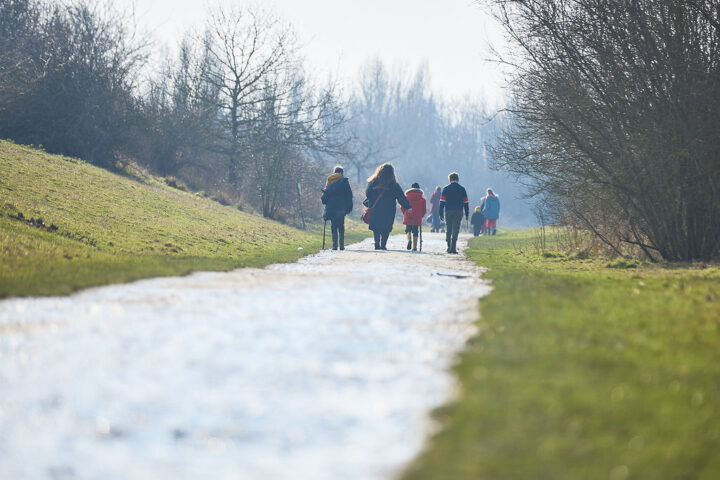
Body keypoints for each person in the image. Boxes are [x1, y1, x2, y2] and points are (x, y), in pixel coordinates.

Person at [363, 163, 412, 250]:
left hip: (376, 208)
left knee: (376, 227)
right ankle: (383, 245)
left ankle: (377, 243)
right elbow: (401, 197)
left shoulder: (373, 182)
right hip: (389, 210)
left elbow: (368, 194)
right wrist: (408, 207)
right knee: (386, 227)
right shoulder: (394, 184)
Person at [321, 165, 353, 250]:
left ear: (334, 172)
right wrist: (349, 207)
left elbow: (324, 198)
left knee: (333, 225)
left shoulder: (329, 181)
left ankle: (334, 246)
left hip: (331, 207)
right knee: (341, 225)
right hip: (341, 208)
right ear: (342, 172)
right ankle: (341, 246)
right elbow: (349, 196)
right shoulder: (344, 182)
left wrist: (325, 201)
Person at [439, 172, 469, 254]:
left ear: (450, 179)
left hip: (448, 211)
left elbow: (442, 202)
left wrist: (440, 213)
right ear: (458, 179)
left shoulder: (445, 189)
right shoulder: (462, 189)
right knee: (456, 229)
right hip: (458, 211)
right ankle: (453, 248)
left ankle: (449, 247)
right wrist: (467, 214)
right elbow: (466, 202)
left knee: (448, 229)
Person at [401, 182, 427, 251]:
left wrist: (405, 213)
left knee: (408, 229)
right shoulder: (422, 199)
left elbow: (402, 206)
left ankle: (409, 240)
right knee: (415, 230)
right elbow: (424, 209)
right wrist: (421, 215)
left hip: (408, 214)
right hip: (417, 216)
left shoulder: (406, 197)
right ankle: (414, 247)